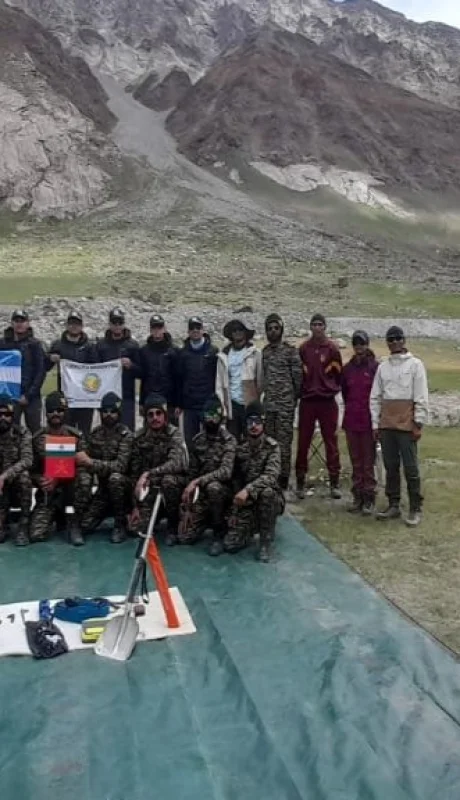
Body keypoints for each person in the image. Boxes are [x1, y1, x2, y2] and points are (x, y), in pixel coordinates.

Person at [370, 325, 429, 526]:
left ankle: (415, 507)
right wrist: (375, 423)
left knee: (410, 467)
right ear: (387, 342)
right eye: (391, 339)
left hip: (406, 424)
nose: (394, 342)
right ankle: (393, 504)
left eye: (398, 338)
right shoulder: (382, 367)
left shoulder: (415, 365)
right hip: (386, 424)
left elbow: (421, 396)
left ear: (404, 340)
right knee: (391, 466)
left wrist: (418, 423)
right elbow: (375, 397)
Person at [224, 401, 284, 562]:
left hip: (268, 498)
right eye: (250, 422)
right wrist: (234, 511)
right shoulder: (240, 449)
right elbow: (235, 482)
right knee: (230, 545)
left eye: (257, 421)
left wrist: (249, 490)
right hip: (247, 503)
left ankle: (265, 542)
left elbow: (271, 476)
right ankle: (253, 524)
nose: (254, 426)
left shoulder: (273, 447)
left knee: (267, 492)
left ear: (263, 423)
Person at [29, 391, 92, 546]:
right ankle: (56, 514)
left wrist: (59, 477)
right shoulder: (37, 438)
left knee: (84, 477)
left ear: (65, 412)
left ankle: (73, 521)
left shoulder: (76, 436)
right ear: (46, 413)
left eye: (59, 410)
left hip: (71, 490)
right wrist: (39, 480)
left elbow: (84, 462)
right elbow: (31, 470)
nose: (55, 414)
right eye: (51, 410)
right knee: (36, 535)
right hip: (49, 492)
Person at [177, 395, 236, 556]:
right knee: (184, 537)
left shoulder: (229, 441)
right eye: (208, 415)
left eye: (215, 415)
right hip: (202, 496)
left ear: (220, 416)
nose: (211, 419)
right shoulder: (197, 441)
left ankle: (218, 532)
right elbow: (192, 473)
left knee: (214, 487)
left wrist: (198, 481)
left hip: (224, 495)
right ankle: (206, 520)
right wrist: (188, 508)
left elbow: (226, 472)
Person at [295, 313, 343, 499]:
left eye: (320, 324)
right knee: (303, 442)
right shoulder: (304, 349)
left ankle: (334, 483)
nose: (317, 327)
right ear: (310, 327)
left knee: (331, 442)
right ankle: (300, 481)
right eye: (314, 324)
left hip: (327, 401)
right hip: (307, 401)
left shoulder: (332, 349)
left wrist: (329, 389)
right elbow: (299, 374)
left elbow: (338, 374)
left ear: (325, 326)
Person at [131, 393, 187, 545]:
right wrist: (135, 506)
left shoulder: (174, 434)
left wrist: (149, 473)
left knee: (168, 480)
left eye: (158, 413)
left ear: (165, 415)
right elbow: (133, 473)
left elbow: (176, 463)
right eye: (150, 414)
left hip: (173, 485)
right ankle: (155, 516)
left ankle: (172, 526)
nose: (155, 418)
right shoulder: (139, 438)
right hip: (150, 488)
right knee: (137, 529)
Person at [77, 392, 134, 543]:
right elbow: (84, 460)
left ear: (119, 413)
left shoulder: (126, 435)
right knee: (85, 525)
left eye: (113, 411)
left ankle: (120, 524)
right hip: (104, 491)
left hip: (125, 490)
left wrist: (91, 463)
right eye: (105, 411)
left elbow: (120, 466)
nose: (109, 415)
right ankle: (106, 510)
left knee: (115, 478)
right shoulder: (95, 434)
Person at [262, 313, 302, 490]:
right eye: (269, 328)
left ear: (281, 330)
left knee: (284, 443)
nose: (273, 331)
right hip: (269, 405)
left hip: (285, 405)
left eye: (276, 328)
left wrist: (293, 398)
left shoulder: (290, 351)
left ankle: (284, 478)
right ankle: (271, 475)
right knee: (270, 443)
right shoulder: (264, 352)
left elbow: (298, 378)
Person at [341, 330, 379, 514]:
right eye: (356, 343)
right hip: (351, 421)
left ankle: (369, 498)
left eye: (362, 343)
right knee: (355, 461)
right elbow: (345, 394)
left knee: (368, 462)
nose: (359, 347)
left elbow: (379, 396)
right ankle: (357, 497)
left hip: (368, 421)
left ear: (367, 344)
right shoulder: (347, 369)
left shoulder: (375, 368)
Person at [46, 310, 95, 437]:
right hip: (66, 398)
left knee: (85, 433)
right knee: (67, 432)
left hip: (85, 398)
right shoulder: (58, 345)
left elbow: (97, 369)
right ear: (67, 325)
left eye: (77, 323)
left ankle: (84, 456)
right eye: (72, 323)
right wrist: (50, 358)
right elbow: (45, 367)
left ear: (82, 326)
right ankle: (67, 457)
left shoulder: (90, 346)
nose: (74, 326)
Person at [216, 317, 263, 442]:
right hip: (231, 404)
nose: (237, 332)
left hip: (249, 404)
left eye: (240, 329)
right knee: (232, 441)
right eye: (234, 330)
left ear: (246, 332)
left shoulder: (255, 353)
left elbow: (260, 381)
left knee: (251, 441)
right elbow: (219, 384)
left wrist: (256, 402)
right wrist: (223, 407)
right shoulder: (223, 355)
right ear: (230, 334)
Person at [176, 317, 219, 447]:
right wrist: (179, 403)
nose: (195, 330)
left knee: (211, 442)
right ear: (188, 332)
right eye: (192, 328)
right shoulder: (182, 353)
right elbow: (179, 379)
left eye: (198, 327)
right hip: (189, 405)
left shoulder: (213, 351)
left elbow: (219, 379)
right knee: (190, 442)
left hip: (208, 404)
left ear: (203, 330)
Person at [0, 309, 45, 433]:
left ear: (28, 323)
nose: (19, 324)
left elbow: (40, 371)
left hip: (32, 397)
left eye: (22, 321)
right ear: (12, 323)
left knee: (35, 430)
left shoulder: (35, 344)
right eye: (16, 320)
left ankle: (37, 452)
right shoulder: (3, 343)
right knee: (9, 429)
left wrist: (28, 395)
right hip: (9, 396)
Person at [95, 308, 141, 431]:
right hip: (107, 397)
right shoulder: (101, 345)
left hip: (126, 397)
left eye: (119, 323)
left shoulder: (132, 345)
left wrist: (131, 365)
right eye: (114, 323)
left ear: (124, 324)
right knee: (107, 432)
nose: (117, 326)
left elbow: (142, 372)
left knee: (127, 431)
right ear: (109, 324)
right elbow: (95, 370)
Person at [0, 394, 33, 546]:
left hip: (14, 483)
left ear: (12, 416)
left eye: (7, 414)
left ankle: (23, 525)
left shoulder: (22, 433)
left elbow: (27, 460)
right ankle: (3, 524)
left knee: (24, 477)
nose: (3, 418)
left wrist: (5, 475)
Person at [139, 314, 178, 422]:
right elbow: (143, 377)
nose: (157, 330)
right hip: (150, 400)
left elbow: (178, 379)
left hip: (169, 401)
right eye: (154, 328)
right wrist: (141, 402)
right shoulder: (144, 351)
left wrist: (178, 403)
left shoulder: (174, 351)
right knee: (148, 434)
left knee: (171, 432)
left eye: (159, 327)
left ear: (164, 328)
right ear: (150, 330)